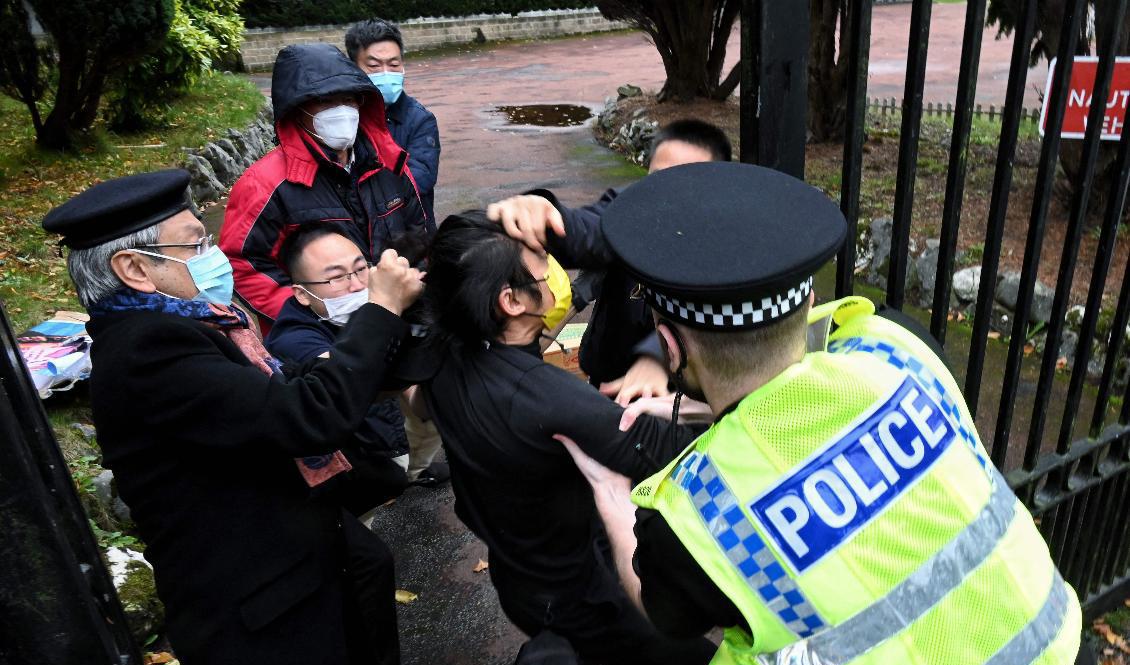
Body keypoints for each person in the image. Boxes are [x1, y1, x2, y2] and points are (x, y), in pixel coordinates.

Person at [557, 162, 1083, 664]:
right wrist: (703, 408)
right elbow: (822, 404)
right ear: (807, 298)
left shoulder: (700, 518)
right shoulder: (898, 346)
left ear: (669, 345)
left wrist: (608, 489)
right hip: (1057, 643)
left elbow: (661, 610)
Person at [43, 169, 424, 665]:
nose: (214, 257)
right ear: (135, 268)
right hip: (264, 613)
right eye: (195, 246)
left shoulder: (194, 323)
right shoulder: (149, 350)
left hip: (309, 563)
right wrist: (381, 309)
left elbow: (271, 395)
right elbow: (305, 418)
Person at [405, 211, 715, 664]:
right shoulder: (550, 400)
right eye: (542, 267)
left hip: (520, 577)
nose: (555, 274)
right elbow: (681, 452)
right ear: (511, 301)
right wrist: (694, 405)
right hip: (582, 597)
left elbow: (416, 395)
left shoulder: (445, 352)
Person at [487, 119, 731, 405]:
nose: (664, 197)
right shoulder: (630, 212)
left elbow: (719, 311)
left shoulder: (726, 244)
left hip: (676, 396)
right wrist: (542, 213)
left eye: (684, 184)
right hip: (604, 380)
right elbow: (589, 229)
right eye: (655, 181)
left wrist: (657, 356)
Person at [220, 42, 428, 333]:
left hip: (396, 316)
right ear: (297, 109)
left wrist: (409, 292)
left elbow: (418, 235)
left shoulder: (388, 163)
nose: (341, 110)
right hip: (321, 336)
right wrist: (310, 313)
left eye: (348, 99)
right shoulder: (265, 183)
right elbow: (242, 264)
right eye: (325, 101)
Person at [265, 223, 447, 488]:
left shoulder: (388, 297)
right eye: (337, 277)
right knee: (365, 502)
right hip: (353, 455)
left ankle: (414, 471)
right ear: (302, 295)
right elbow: (353, 383)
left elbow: (414, 394)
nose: (357, 285)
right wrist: (386, 308)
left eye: (361, 268)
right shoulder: (294, 341)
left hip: (395, 425)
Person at [346, 18, 440, 228]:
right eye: (374, 66)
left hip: (411, 234)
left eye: (394, 64)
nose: (386, 73)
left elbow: (420, 180)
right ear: (353, 68)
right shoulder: (344, 118)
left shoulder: (419, 119)